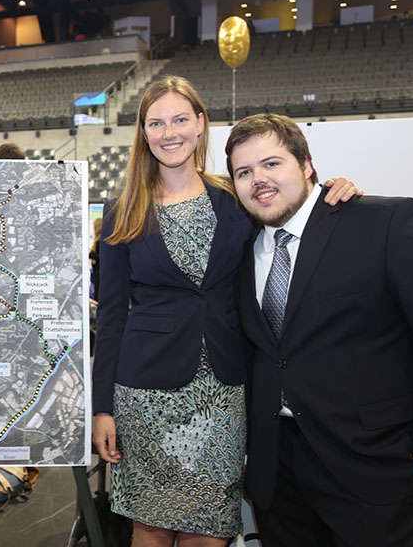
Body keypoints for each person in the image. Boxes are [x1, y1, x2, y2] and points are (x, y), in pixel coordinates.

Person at [91, 76, 358, 547]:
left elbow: (292, 206)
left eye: (179, 119)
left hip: (223, 393)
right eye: (156, 122)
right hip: (143, 393)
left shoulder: (234, 197)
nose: (168, 132)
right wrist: (102, 409)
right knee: (149, 529)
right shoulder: (123, 210)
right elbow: (112, 317)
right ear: (143, 132)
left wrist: (333, 188)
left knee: (211, 531)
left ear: (200, 124)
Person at [225, 113, 413, 547]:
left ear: (307, 164)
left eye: (272, 163)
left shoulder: (385, 222)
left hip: (376, 471)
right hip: (277, 476)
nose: (258, 179)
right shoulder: (241, 251)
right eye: (244, 172)